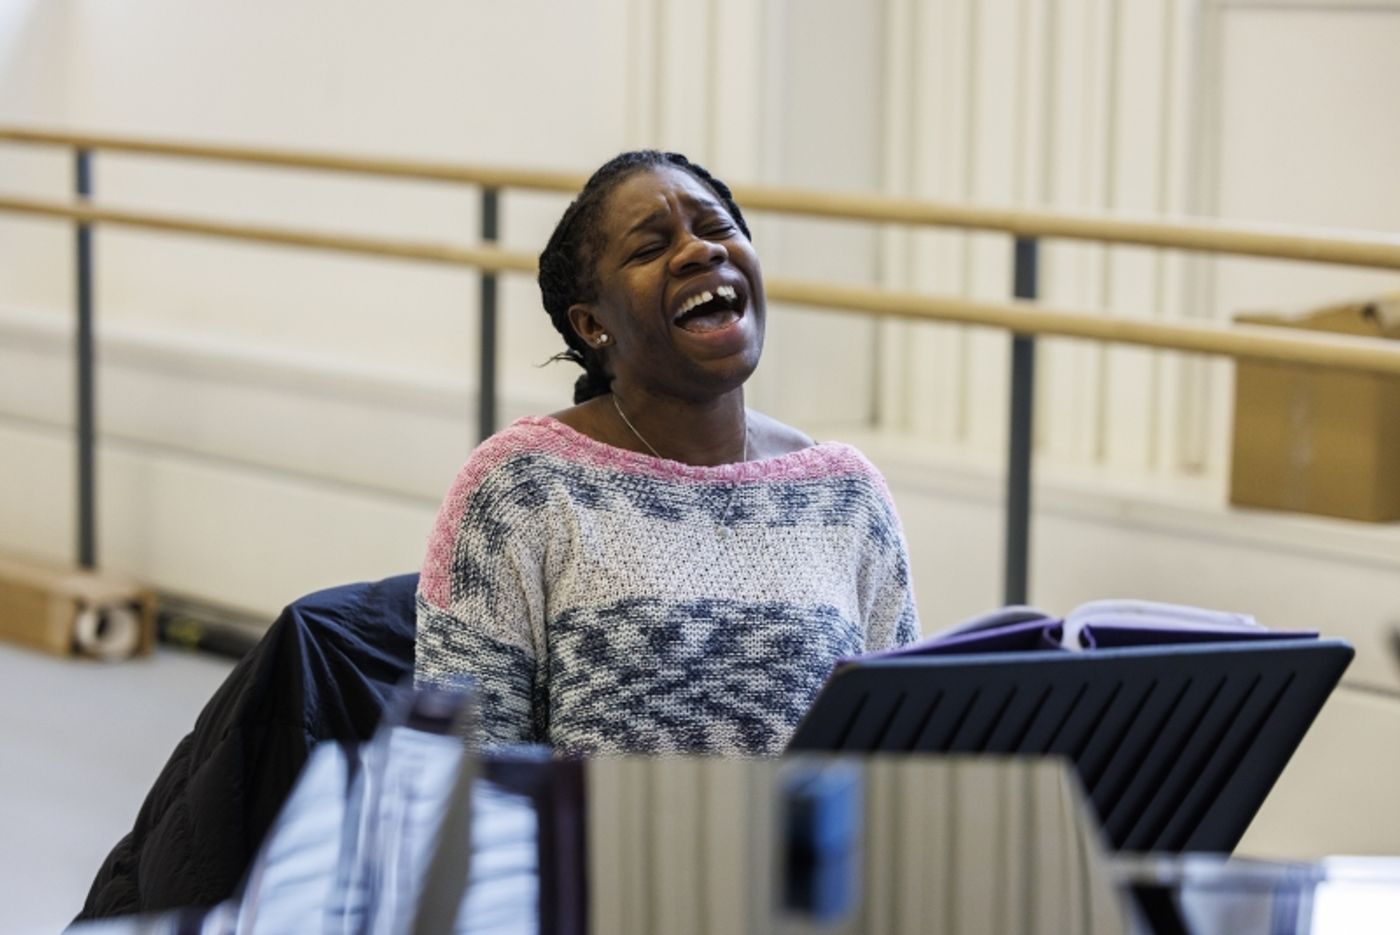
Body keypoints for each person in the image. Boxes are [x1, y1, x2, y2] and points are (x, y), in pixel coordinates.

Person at [414, 150, 919, 755]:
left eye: (716, 229)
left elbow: (902, 749)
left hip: (799, 850)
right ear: (592, 324)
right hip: (601, 850)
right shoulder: (520, 485)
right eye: (649, 249)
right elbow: (458, 765)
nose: (701, 251)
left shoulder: (845, 493)